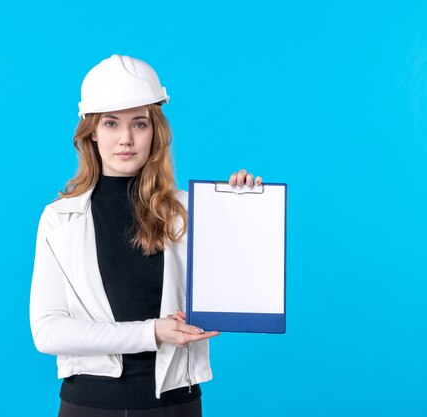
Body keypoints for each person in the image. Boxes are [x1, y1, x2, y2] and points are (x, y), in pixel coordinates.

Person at [30, 54, 262, 417]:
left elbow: (241, 294)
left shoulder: (190, 211)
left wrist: (246, 211)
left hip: (175, 405)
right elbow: (47, 332)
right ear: (91, 131)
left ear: (156, 131)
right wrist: (152, 331)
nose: (125, 139)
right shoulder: (60, 219)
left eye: (139, 123)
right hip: (88, 406)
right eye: (111, 123)